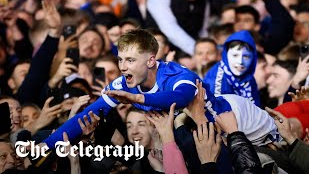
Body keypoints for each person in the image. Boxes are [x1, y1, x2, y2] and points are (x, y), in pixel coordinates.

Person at [43, 29, 233, 149]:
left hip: (235, 122)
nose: (123, 67)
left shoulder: (176, 75)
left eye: (130, 60)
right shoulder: (123, 85)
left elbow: (181, 98)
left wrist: (138, 99)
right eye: (120, 59)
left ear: (151, 60)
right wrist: (43, 147)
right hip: (204, 138)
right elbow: (86, 116)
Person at [204, 30, 260, 106]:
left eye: (246, 56)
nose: (240, 61)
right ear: (225, 55)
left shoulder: (249, 78)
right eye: (235, 55)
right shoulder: (215, 80)